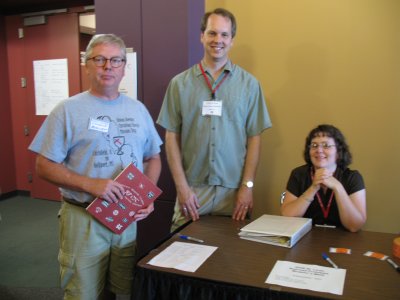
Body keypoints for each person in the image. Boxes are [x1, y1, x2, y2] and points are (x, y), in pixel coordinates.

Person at [28, 34, 162, 299]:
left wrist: (148, 194)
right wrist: (91, 184)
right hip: (83, 219)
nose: (108, 66)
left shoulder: (138, 110)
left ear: (125, 67)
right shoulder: (67, 110)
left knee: (123, 290)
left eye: (115, 60)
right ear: (86, 65)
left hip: (125, 221)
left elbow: (153, 157)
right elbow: (43, 166)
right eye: (99, 59)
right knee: (82, 293)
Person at [157, 8, 272, 232]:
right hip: (193, 191)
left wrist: (247, 187)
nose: (217, 40)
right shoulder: (179, 84)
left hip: (234, 192)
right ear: (202, 36)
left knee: (231, 262)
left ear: (232, 40)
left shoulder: (249, 85)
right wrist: (181, 188)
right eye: (212, 33)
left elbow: (254, 139)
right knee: (181, 259)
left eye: (224, 34)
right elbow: (171, 138)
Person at [281, 124, 366, 232]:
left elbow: (354, 226)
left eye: (326, 145)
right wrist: (313, 188)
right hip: (306, 237)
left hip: (342, 240)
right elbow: (287, 216)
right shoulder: (298, 174)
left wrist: (338, 187)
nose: (319, 150)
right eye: (314, 146)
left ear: (338, 151)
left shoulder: (353, 177)